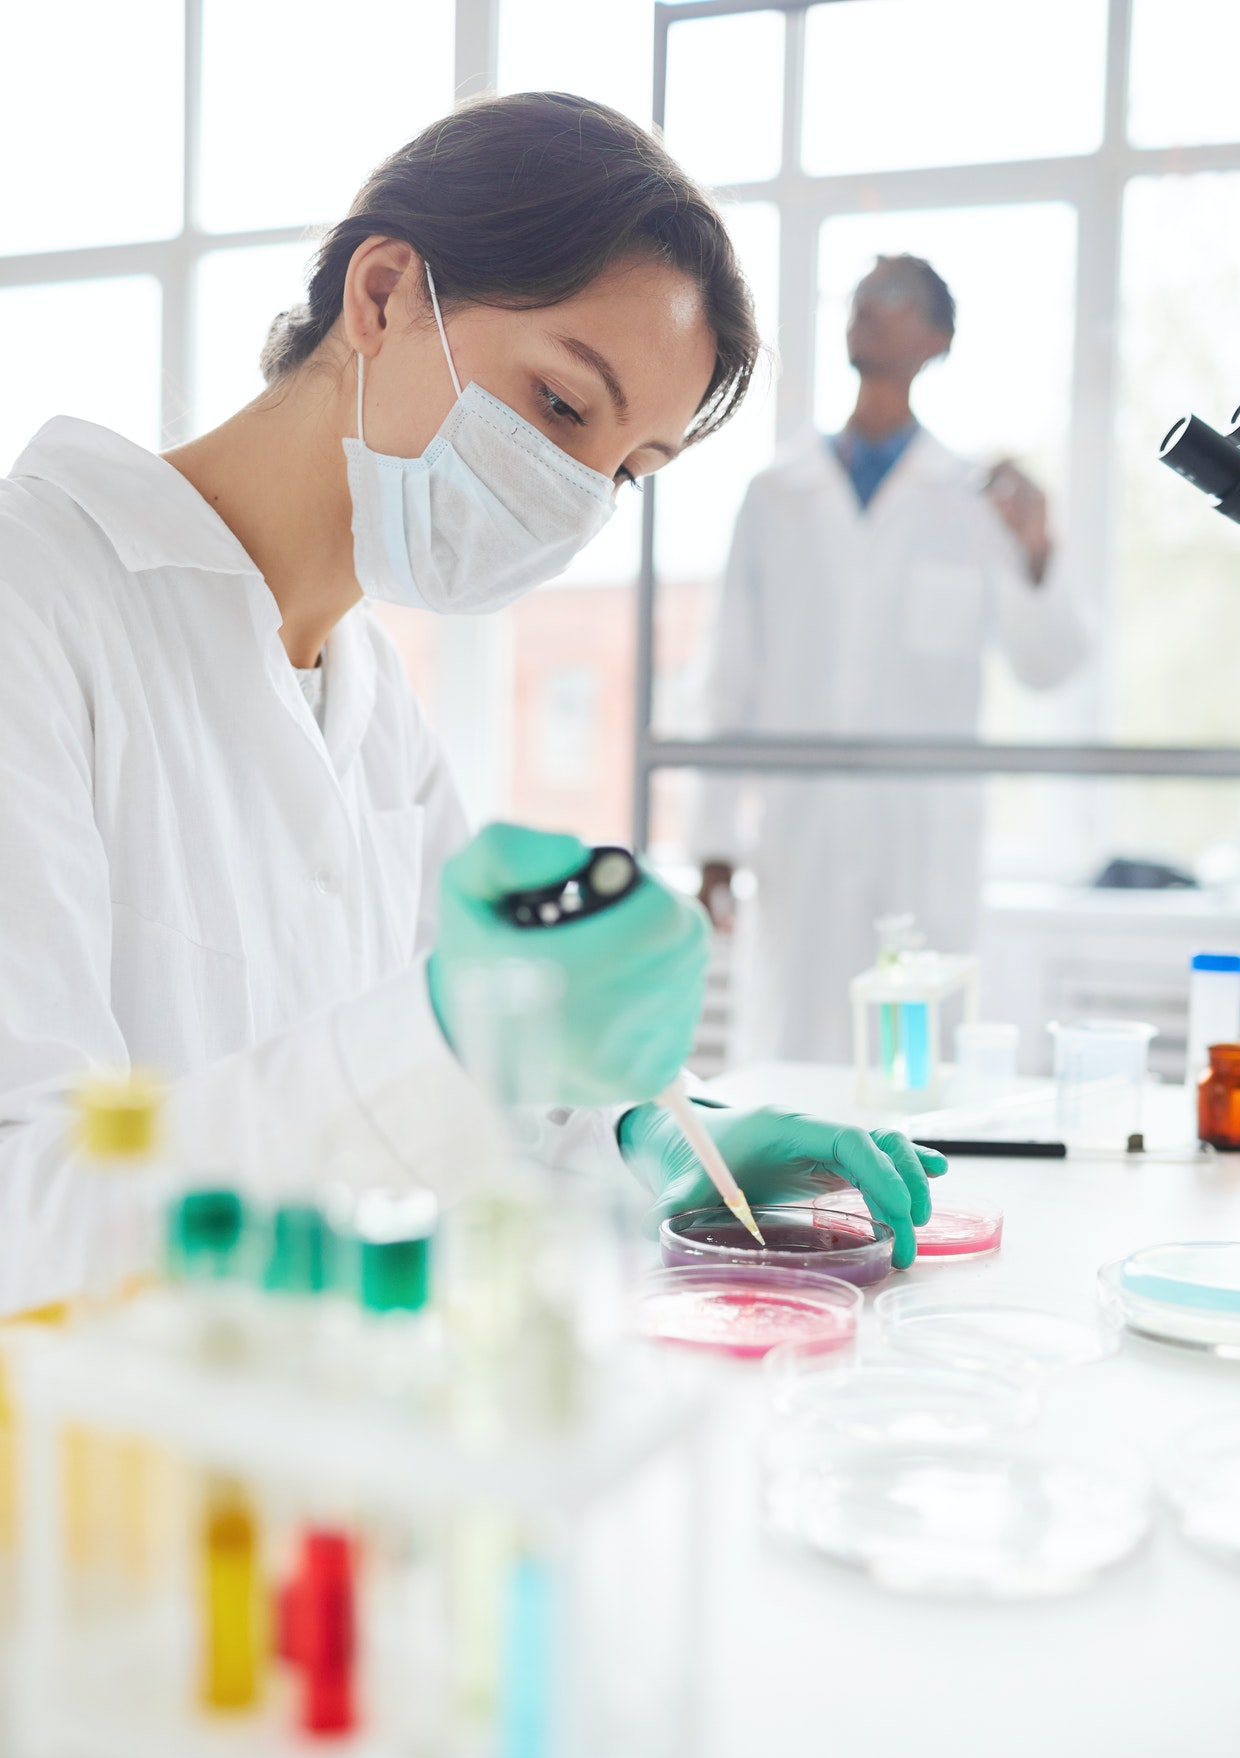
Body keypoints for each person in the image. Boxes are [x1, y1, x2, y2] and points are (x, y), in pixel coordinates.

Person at [0, 95, 943, 1315]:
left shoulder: (367, 692)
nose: (570, 494)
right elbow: (29, 1210)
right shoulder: (36, 596)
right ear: (383, 293)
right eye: (560, 405)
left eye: (622, 471)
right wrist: (459, 1026)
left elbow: (477, 1113)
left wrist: (637, 1137)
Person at [695, 252, 1088, 1062]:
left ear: (937, 339)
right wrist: (713, 840)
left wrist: (1037, 544)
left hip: (923, 834)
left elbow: (1046, 664)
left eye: (896, 294)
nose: (870, 305)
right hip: (799, 828)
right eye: (861, 291)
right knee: (793, 1048)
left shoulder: (976, 503)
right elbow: (729, 675)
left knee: (913, 1059)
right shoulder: (775, 496)